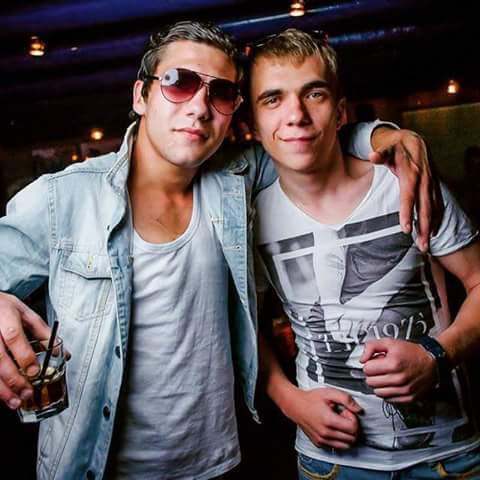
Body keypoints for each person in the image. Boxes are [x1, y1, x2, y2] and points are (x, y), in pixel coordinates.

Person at [0, 21, 435, 480]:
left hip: (217, 464)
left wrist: (386, 137)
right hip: (94, 466)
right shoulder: (62, 198)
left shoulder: (236, 179)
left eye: (221, 93)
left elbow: (311, 135)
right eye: (178, 82)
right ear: (141, 96)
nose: (199, 107)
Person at [252, 29, 480, 479]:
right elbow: (241, 322)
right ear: (254, 126)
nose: (296, 115)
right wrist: (289, 399)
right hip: (330, 464)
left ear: (340, 113)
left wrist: (437, 355)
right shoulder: (249, 217)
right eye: (273, 99)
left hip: (448, 457)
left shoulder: (404, 181)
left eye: (313, 94)